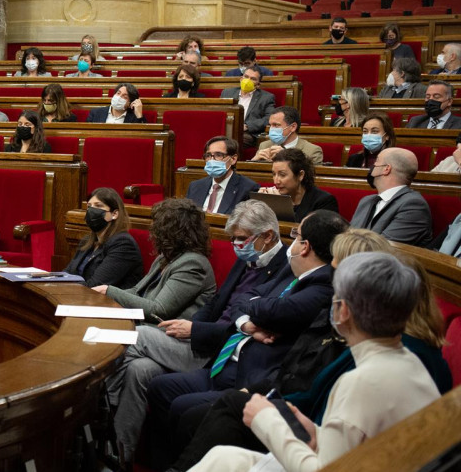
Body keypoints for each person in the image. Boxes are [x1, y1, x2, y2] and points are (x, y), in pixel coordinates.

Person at [187, 252, 440, 472]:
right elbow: (353, 444)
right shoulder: (409, 362)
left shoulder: (361, 381)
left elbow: (324, 469)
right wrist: (316, 433)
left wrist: (266, 420)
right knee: (224, 458)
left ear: (344, 312)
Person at [144, 210, 346, 470]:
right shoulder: (296, 274)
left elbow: (274, 310)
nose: (291, 240)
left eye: (296, 235)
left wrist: (257, 308)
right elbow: (242, 300)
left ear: (305, 247)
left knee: (184, 407)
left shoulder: (320, 284)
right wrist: (248, 323)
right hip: (225, 362)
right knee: (158, 385)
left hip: (251, 375)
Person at [109, 200, 287, 466]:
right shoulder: (247, 261)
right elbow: (216, 304)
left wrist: (196, 330)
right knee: (141, 370)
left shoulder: (283, 268)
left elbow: (246, 320)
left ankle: (99, 405)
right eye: (233, 239)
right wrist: (194, 328)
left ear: (268, 235)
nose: (236, 245)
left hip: (218, 351)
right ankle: (123, 454)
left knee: (140, 336)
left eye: (241, 239)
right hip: (199, 337)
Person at [92, 197, 216, 322]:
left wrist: (109, 291)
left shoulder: (192, 264)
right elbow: (137, 291)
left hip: (172, 334)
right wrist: (107, 295)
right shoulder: (165, 257)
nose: (152, 230)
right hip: (146, 324)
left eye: (157, 225)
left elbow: (159, 311)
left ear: (172, 231)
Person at [350, 148, 433, 247]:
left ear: (386, 169)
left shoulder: (413, 206)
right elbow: (347, 237)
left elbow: (382, 249)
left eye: (377, 161)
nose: (373, 166)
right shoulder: (367, 201)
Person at [65, 187, 143, 288]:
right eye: (89, 206)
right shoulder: (87, 240)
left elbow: (96, 286)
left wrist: (65, 286)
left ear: (114, 214)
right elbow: (68, 273)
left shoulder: (123, 244)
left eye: (98, 206)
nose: (91, 210)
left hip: (107, 302)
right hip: (79, 297)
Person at [186, 136, 259, 215]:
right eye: (208, 155)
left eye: (218, 155)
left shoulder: (247, 188)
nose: (212, 160)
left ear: (233, 159)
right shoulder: (195, 186)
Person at [222, 67, 275, 149]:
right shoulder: (227, 92)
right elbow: (219, 111)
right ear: (241, 78)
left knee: (232, 141)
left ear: (258, 85)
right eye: (246, 77)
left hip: (247, 133)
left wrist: (247, 126)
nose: (248, 80)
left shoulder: (266, 98)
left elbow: (269, 118)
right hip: (226, 129)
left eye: (253, 79)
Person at [253, 107, 324, 165]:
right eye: (270, 125)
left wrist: (287, 156)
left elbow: (310, 178)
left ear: (293, 127)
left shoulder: (312, 151)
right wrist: (253, 161)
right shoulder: (264, 145)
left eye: (276, 125)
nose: (271, 129)